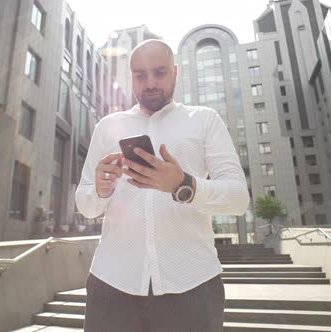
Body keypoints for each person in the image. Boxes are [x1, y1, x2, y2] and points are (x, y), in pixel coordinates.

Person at [75, 39, 249, 332]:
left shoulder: (204, 120)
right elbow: (85, 203)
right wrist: (101, 191)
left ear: (175, 72)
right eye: (140, 75)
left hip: (193, 285)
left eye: (159, 72)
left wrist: (184, 185)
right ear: (131, 77)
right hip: (112, 284)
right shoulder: (107, 126)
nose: (150, 82)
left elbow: (239, 198)